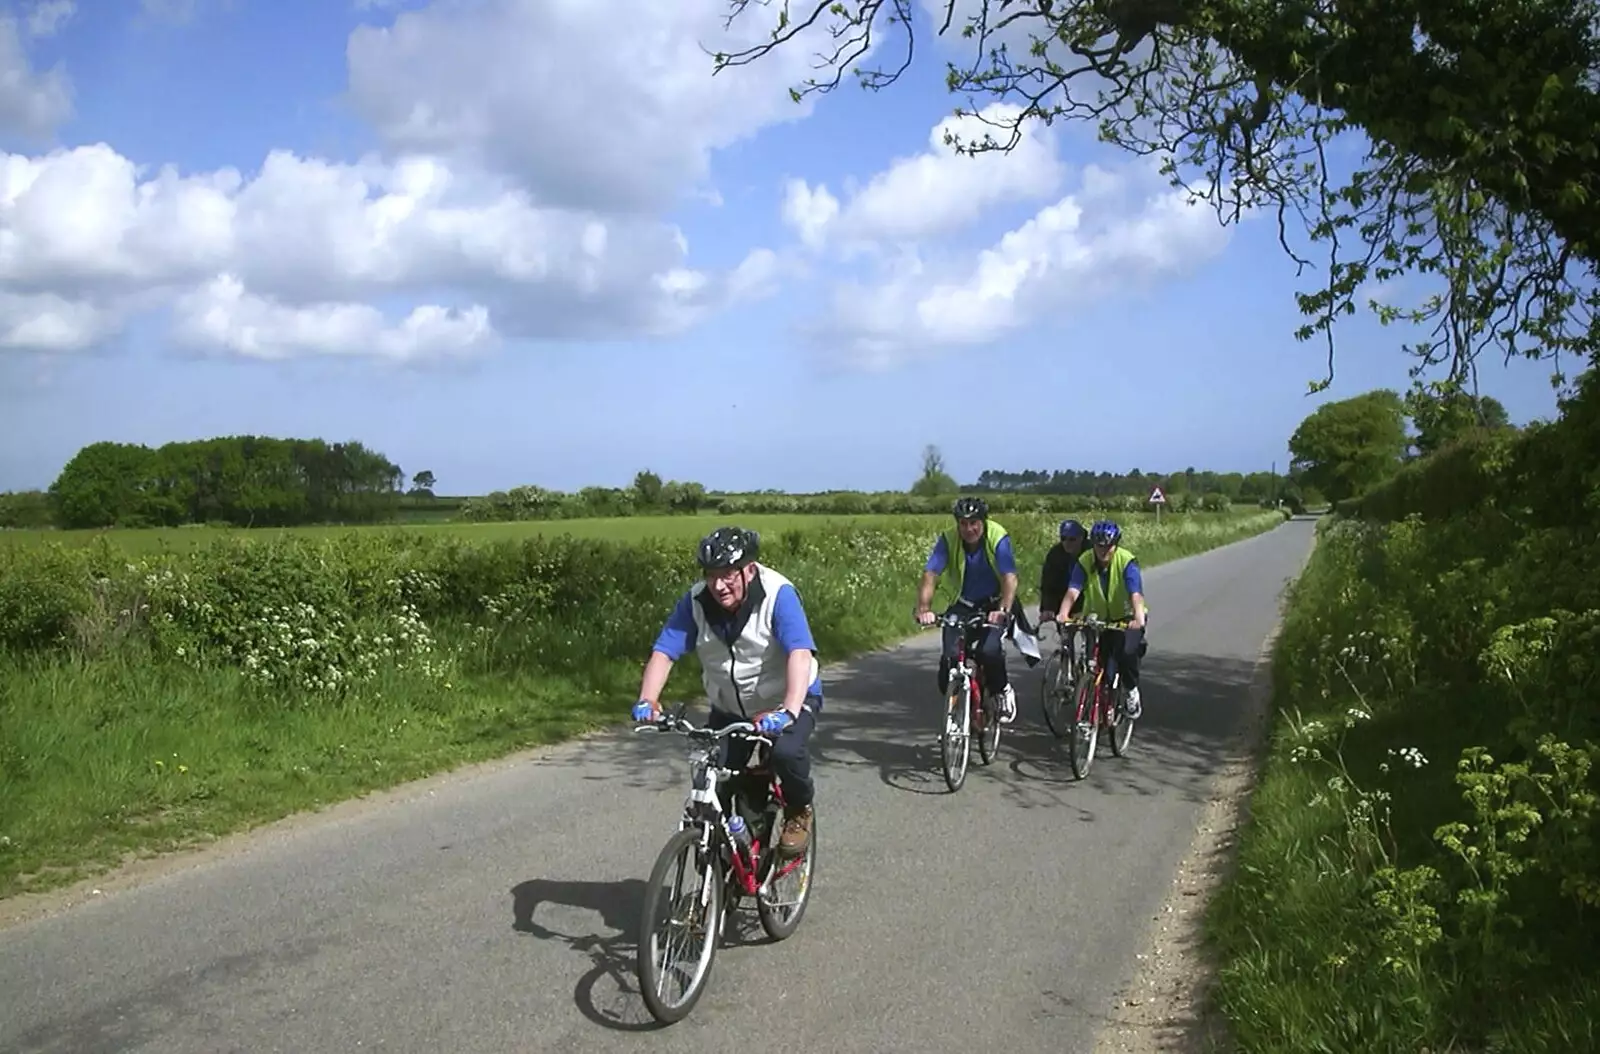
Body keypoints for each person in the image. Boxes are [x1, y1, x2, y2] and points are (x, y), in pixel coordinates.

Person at [631, 526, 820, 857]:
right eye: (711, 575)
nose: (718, 585)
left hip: (787, 698)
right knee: (712, 781)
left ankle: (799, 810)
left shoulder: (778, 594)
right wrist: (648, 699)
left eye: (728, 575)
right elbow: (665, 651)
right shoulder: (696, 602)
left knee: (786, 753)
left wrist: (788, 711)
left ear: (749, 569)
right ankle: (723, 871)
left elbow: (800, 654)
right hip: (729, 707)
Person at [914, 496, 1019, 724]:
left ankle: (1002, 690)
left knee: (989, 651)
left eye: (974, 523)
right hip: (963, 604)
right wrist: (924, 609)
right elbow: (930, 574)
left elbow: (1009, 577)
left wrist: (1003, 609)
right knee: (950, 662)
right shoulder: (949, 540)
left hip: (993, 603)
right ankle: (960, 704)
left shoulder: (997, 536)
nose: (969, 529)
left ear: (983, 521)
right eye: (963, 523)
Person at [1054, 519, 1148, 719]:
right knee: (1101, 665)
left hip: (1126, 617)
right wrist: (1064, 613)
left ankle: (1131, 691)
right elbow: (1073, 591)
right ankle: (1099, 705)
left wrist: (1138, 618)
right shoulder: (1085, 560)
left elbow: (1135, 594)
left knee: (1127, 653)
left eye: (1108, 546)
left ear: (1116, 544)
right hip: (1100, 619)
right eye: (1099, 546)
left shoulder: (1126, 561)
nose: (1103, 551)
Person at [1039, 518, 1090, 669]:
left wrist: (1086, 610)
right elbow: (1048, 584)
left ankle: (1089, 672)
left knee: (1091, 640)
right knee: (1066, 642)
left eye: (1072, 539)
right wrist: (1047, 608)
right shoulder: (1055, 554)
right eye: (1063, 539)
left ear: (1081, 538)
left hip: (1087, 602)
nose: (1067, 543)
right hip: (1064, 603)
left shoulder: (1090, 553)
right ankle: (1067, 674)